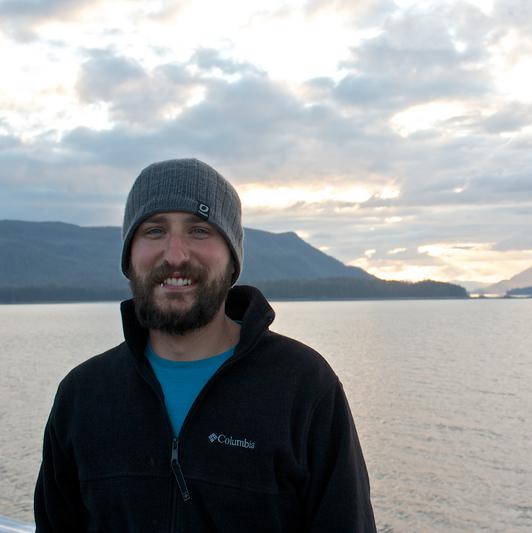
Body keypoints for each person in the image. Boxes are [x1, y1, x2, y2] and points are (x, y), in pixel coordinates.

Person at [34, 158, 376, 532]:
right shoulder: (83, 397)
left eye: (199, 231)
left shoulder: (304, 387)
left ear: (233, 260)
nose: (176, 255)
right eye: (154, 230)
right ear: (129, 258)